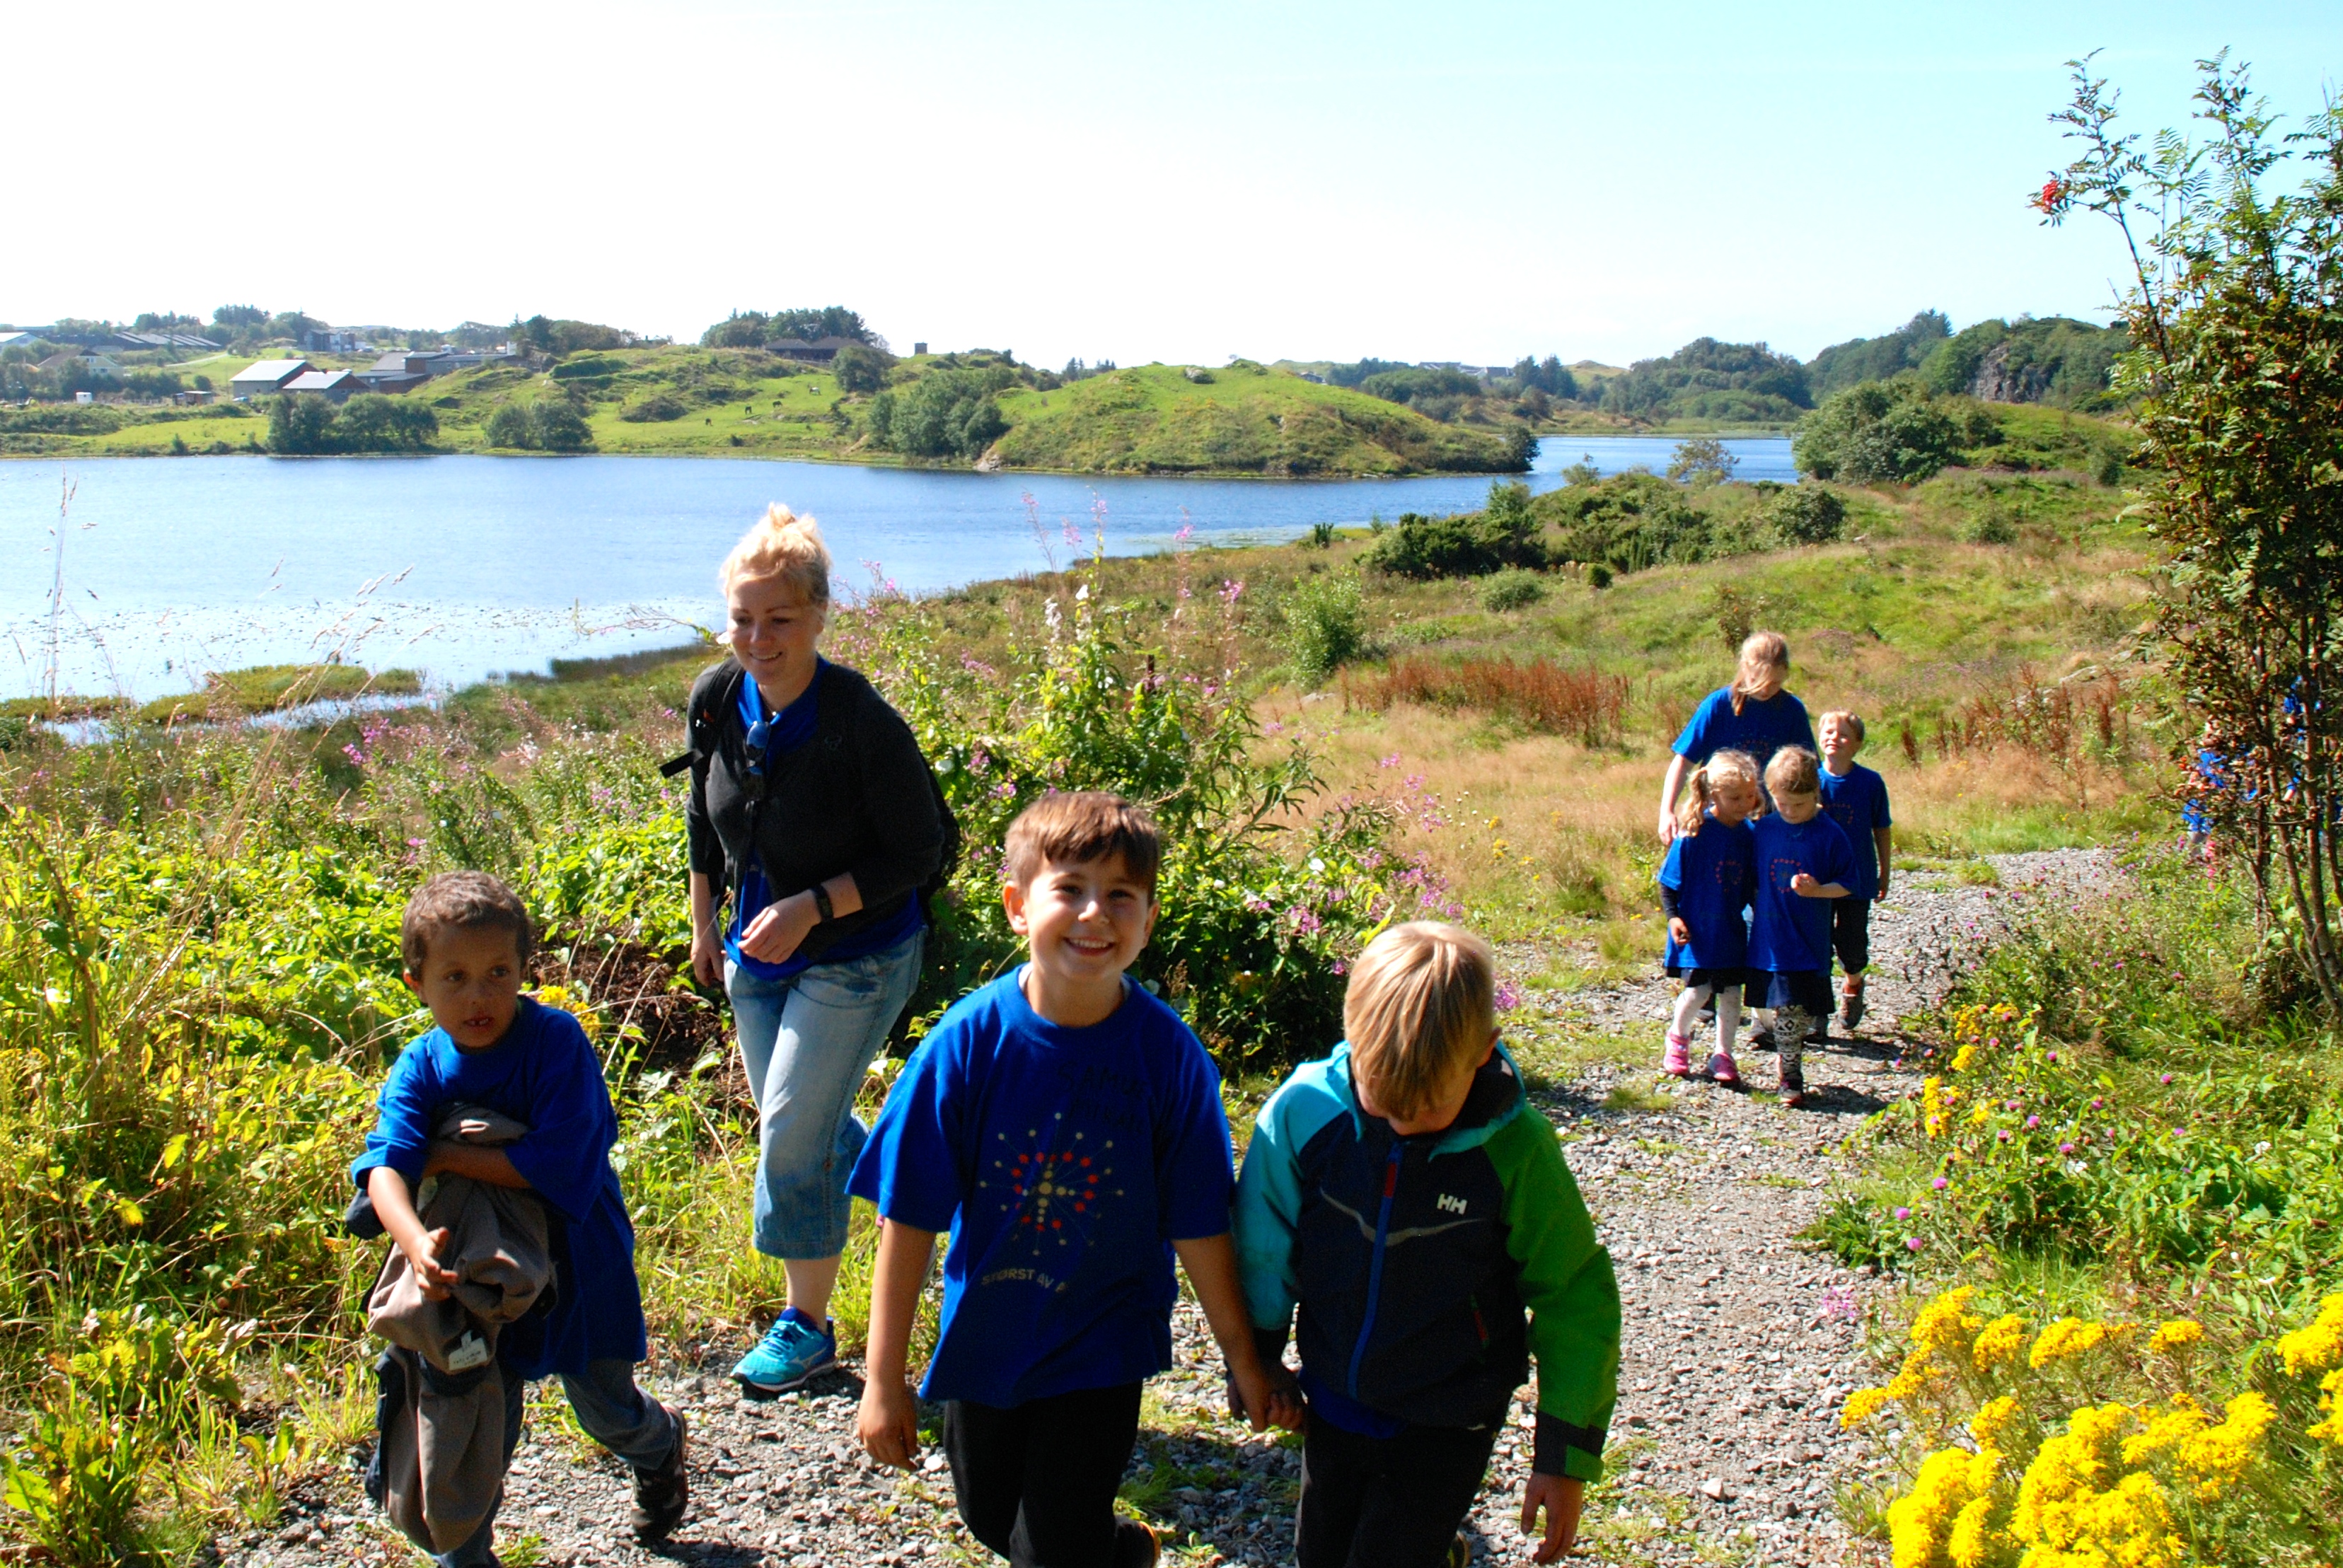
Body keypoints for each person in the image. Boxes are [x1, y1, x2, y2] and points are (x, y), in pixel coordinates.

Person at [851, 792, 1294, 1568]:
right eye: (1071, 889)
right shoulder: (964, 1047)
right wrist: (883, 1379)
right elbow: (909, 1217)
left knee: (1050, 1540)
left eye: (1121, 895)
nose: (1096, 914)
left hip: (1105, 1339)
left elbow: (1200, 1222)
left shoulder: (1169, 1060)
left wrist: (1243, 1360)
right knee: (993, 1518)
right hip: (989, 1330)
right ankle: (1120, 1553)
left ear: (1148, 922)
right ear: (1019, 907)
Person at [1232, 922, 1621, 1568]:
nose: (1404, 1124)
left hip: (1450, 1413)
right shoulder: (1306, 1111)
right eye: (1383, 1103)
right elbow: (1263, 1242)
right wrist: (1260, 1356)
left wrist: (1563, 1454)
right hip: (1333, 1392)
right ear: (1352, 1038)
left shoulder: (1516, 1149)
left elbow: (1574, 1293)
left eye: (1428, 1107)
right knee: (1320, 1554)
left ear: (1483, 1051)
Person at [681, 504, 948, 1396]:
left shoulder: (859, 720)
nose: (758, 638)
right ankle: (924, 1182)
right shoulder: (718, 697)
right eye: (743, 618)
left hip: (861, 953)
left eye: (780, 619)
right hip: (758, 954)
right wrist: (703, 920)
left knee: (793, 1134)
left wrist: (811, 906)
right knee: (808, 1127)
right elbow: (702, 818)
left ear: (820, 616)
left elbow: (923, 853)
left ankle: (808, 1326)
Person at [353, 872, 686, 1565]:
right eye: (456, 977)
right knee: (473, 1424)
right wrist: (415, 1244)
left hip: (579, 1260)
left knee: (605, 1407)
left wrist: (446, 1154)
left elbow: (562, 1165)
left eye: (498, 972)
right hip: (476, 1273)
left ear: (524, 970)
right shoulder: (419, 1067)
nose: (479, 995)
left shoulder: (556, 1042)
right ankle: (465, 1556)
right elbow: (386, 1168)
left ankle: (658, 1446)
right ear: (416, 982)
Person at [1745, 749, 1856, 1107]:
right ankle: (1785, 1063)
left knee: (1796, 1009)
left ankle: (1789, 1065)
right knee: (1783, 1007)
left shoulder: (1829, 834)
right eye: (1783, 804)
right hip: (1769, 940)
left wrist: (1818, 891)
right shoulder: (1763, 829)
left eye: (1801, 804)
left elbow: (1849, 882)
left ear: (1817, 795)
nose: (1792, 812)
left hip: (1808, 941)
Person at [1658, 748, 1761, 1085]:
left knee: (1731, 993)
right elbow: (1669, 883)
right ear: (1714, 794)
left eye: (1750, 794)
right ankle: (1677, 1039)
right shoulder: (1694, 833)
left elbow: (1754, 885)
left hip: (1731, 931)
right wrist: (1674, 918)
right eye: (1736, 797)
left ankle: (1723, 1053)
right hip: (1698, 932)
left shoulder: (1749, 835)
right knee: (1698, 992)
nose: (1745, 803)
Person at [1656, 631, 1815, 843]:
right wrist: (1666, 811)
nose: (1766, 690)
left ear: (1785, 673)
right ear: (1745, 668)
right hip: (1717, 821)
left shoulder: (1791, 710)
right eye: (1757, 681)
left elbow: (1809, 770)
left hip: (1771, 824)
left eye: (1774, 683)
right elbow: (1683, 762)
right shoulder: (1719, 705)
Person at [1816, 711, 1894, 1030]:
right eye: (1829, 731)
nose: (1835, 737)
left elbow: (1882, 829)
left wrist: (1885, 873)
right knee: (1817, 942)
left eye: (1844, 734)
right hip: (1818, 878)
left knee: (1851, 942)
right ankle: (1816, 1008)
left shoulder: (1870, 783)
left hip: (1857, 878)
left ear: (1858, 744)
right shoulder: (1810, 779)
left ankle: (1853, 984)